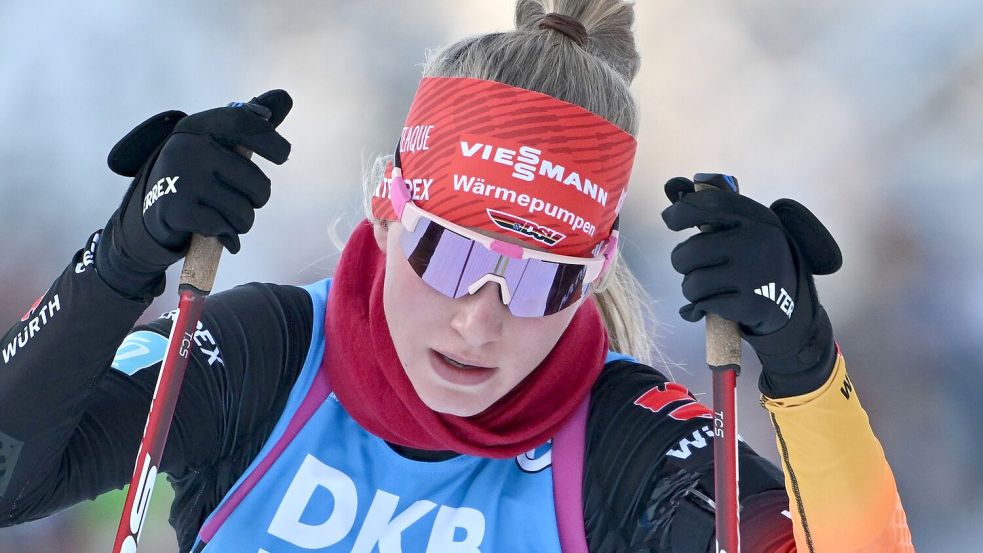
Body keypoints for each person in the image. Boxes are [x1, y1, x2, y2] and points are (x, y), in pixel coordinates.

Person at [0, 1, 913, 551]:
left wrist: (803, 366)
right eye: (452, 252)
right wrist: (119, 261)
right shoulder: (268, 357)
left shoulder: (623, 448)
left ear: (593, 277)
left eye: (540, 281)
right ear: (389, 213)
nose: (480, 320)